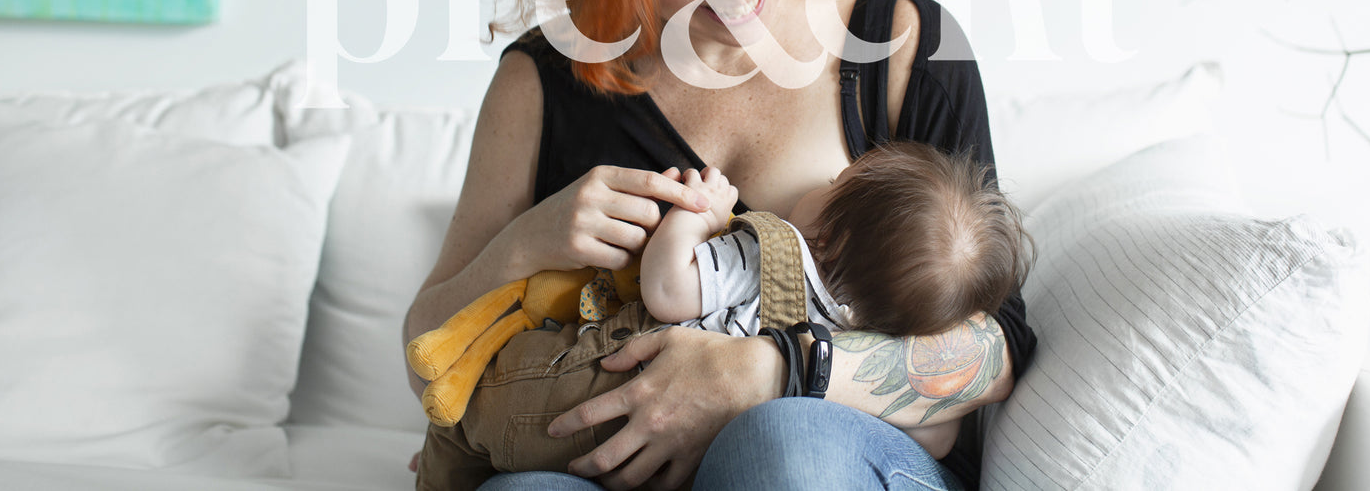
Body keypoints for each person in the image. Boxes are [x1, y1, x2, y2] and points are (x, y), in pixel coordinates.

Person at [405, 0, 1038, 491]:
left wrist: (771, 371)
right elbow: (427, 357)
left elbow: (996, 347)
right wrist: (525, 242)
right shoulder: (541, 83)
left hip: (826, 452)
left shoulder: (900, 48)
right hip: (612, 469)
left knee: (782, 447)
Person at [415, 145, 1034, 489]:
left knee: (785, 441)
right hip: (670, 454)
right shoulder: (864, 326)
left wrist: (703, 213)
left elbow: (668, 288)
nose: (830, 171)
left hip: (669, 430)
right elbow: (940, 432)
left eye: (841, 180)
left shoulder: (769, 249)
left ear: (831, 242)